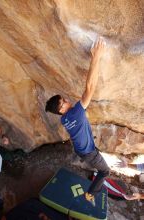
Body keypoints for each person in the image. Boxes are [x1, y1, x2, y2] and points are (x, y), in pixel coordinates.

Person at [45, 38, 110, 202]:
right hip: (88, 152)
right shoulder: (75, 114)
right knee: (105, 172)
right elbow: (90, 88)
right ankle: (90, 194)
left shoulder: (65, 119)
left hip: (83, 150)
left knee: (96, 159)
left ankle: (93, 169)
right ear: (61, 110)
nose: (67, 100)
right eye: (64, 101)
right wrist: (96, 56)